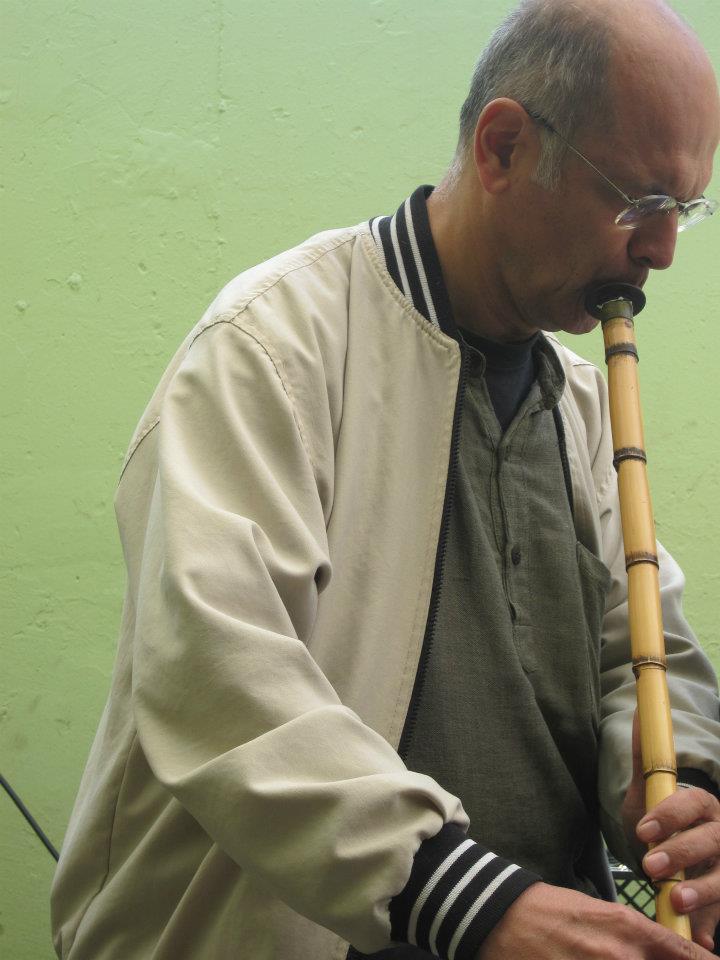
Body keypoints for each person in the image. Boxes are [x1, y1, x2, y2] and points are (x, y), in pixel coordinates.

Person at [51, 0, 720, 958]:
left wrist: (679, 791)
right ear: (503, 148)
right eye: (639, 202)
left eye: (683, 210)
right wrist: (479, 905)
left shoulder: (581, 408)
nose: (661, 251)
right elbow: (217, 677)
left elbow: (638, 661)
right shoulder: (272, 347)